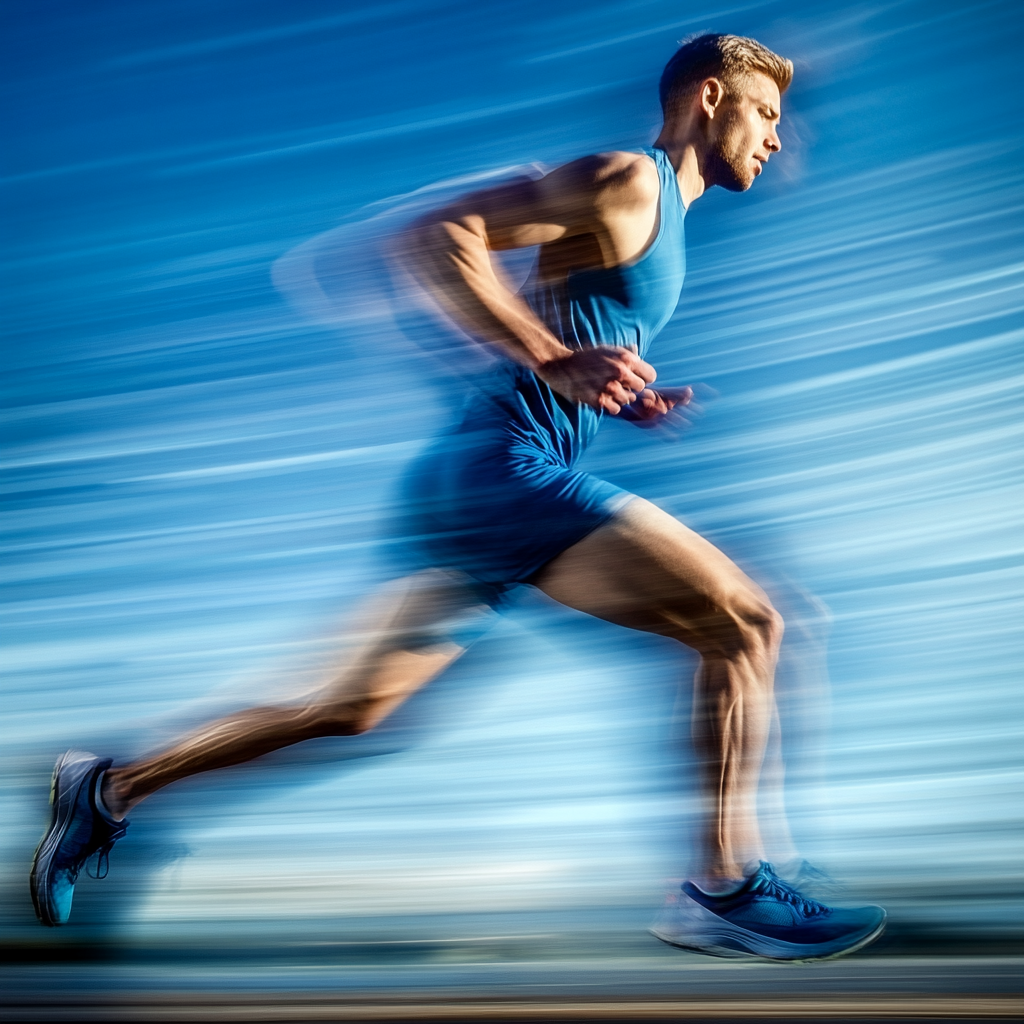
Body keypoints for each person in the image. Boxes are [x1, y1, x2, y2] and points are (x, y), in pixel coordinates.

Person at [31, 33, 885, 961]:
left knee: (348, 709)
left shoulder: (656, 215)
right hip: (506, 473)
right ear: (711, 98)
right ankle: (723, 887)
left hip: (484, 485)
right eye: (766, 114)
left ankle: (108, 789)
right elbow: (433, 237)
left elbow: (563, 321)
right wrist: (555, 359)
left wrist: (613, 390)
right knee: (748, 622)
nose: (778, 140)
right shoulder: (626, 180)